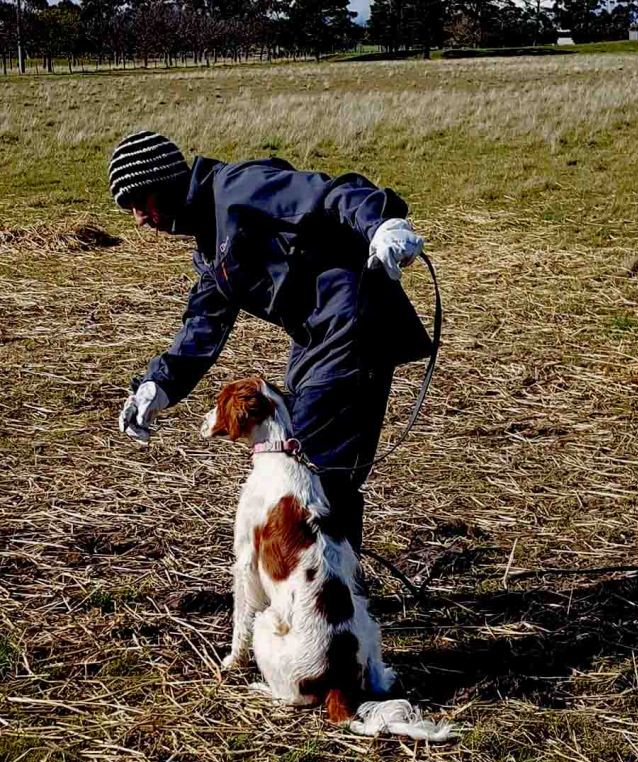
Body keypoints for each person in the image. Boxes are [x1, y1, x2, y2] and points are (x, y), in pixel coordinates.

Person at [111, 130, 432, 552]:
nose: (139, 218)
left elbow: (330, 193)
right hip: (315, 340)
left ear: (164, 182)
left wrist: (382, 223)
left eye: (140, 202)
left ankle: (327, 586)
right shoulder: (210, 244)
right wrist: (159, 384)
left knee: (310, 470)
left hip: (351, 323)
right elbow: (204, 321)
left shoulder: (239, 189)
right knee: (310, 468)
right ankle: (332, 582)